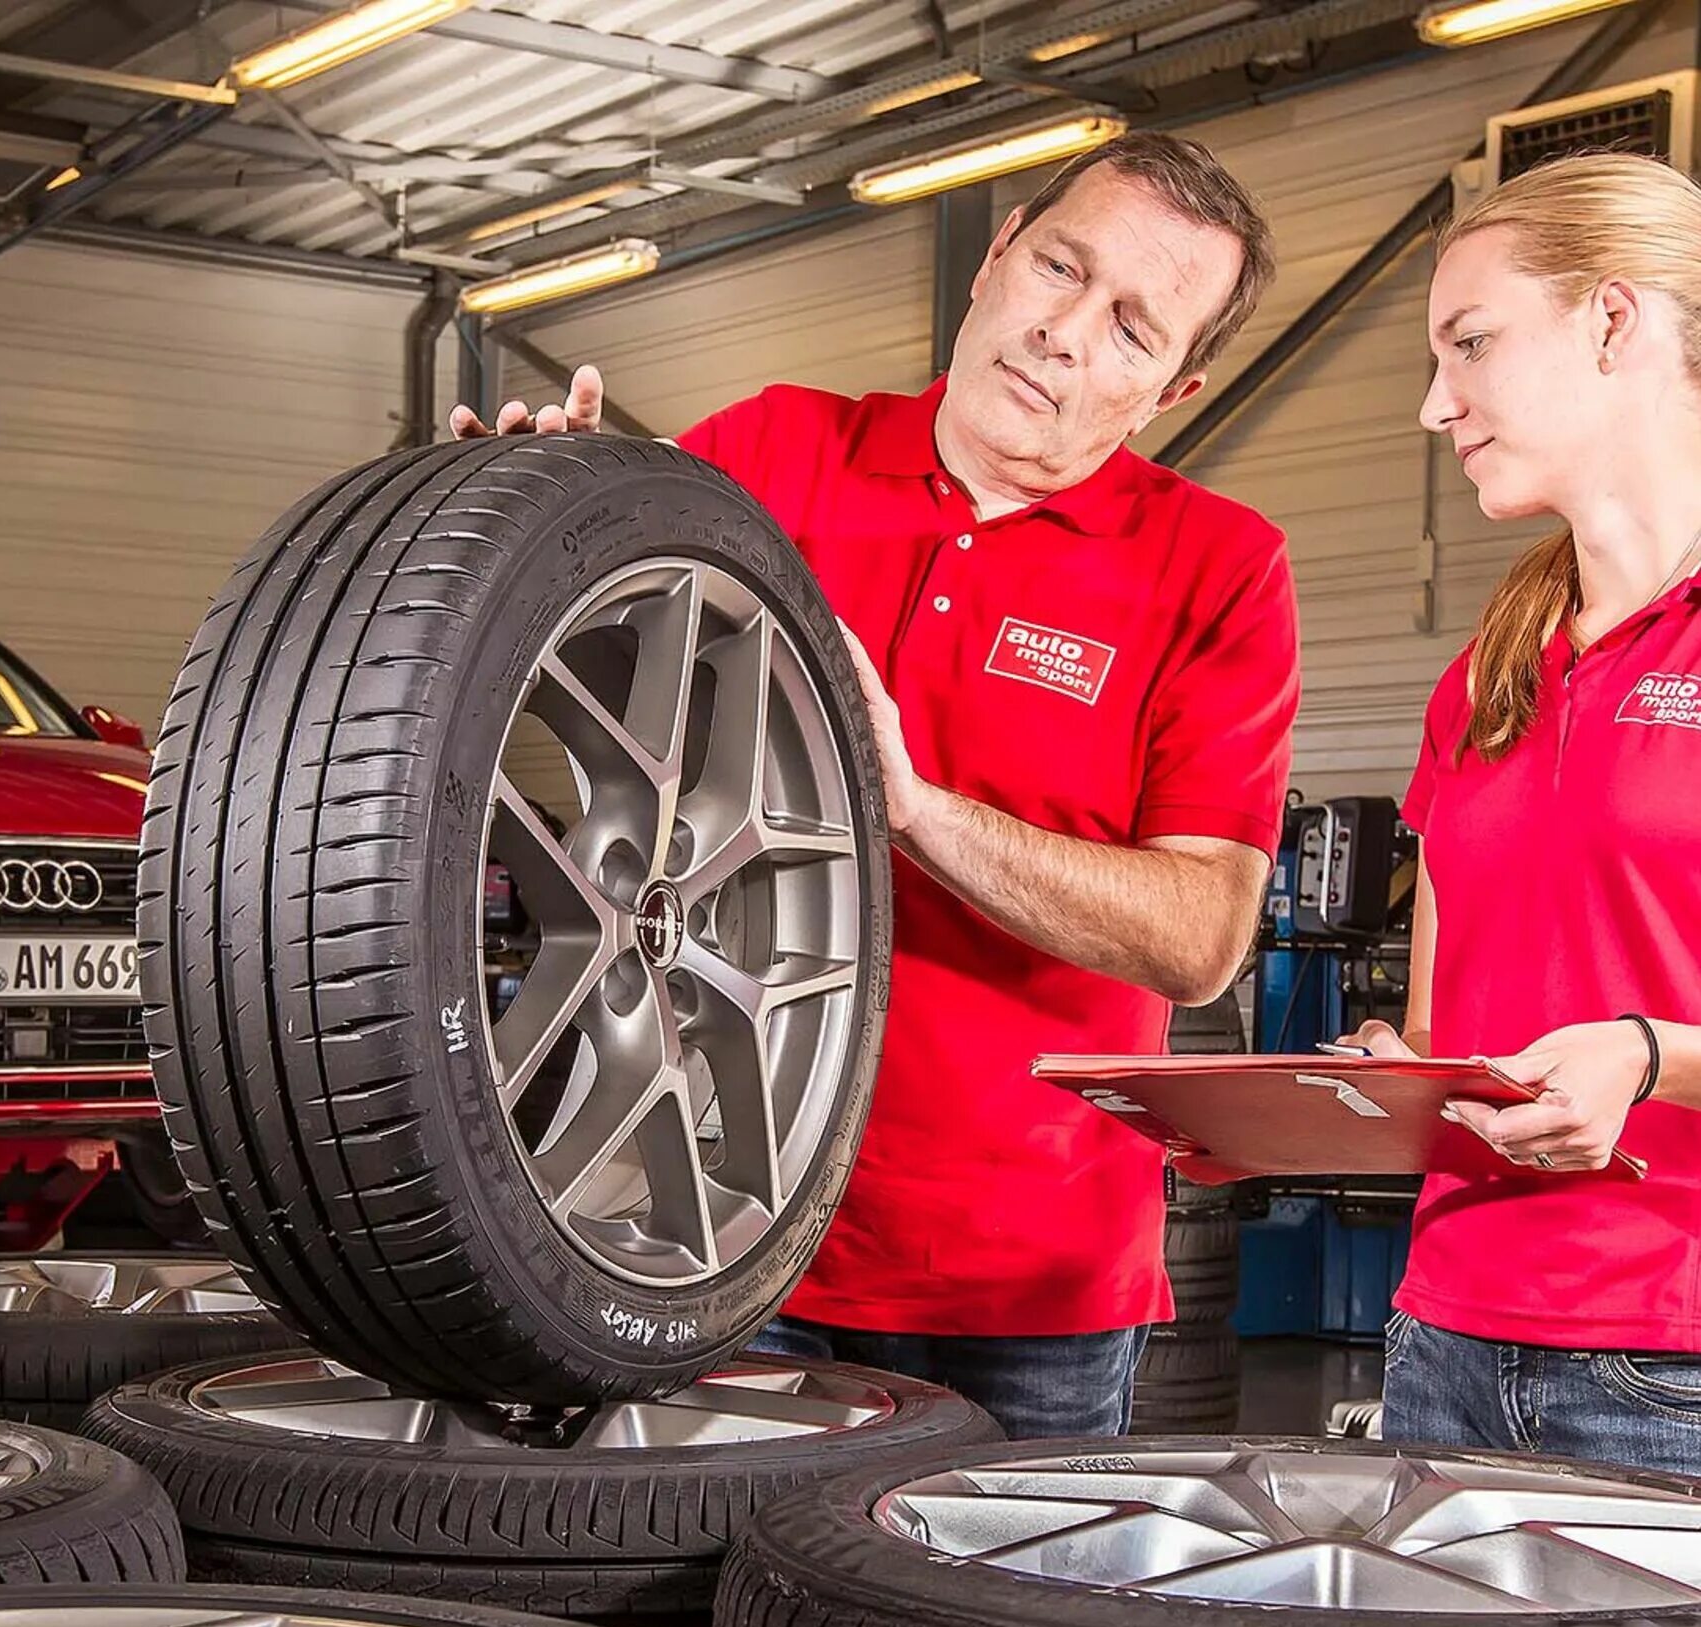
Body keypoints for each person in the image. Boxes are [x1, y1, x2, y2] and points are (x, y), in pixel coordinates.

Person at [452, 132, 1299, 1439]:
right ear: (997, 256)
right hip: (709, 1227)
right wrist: (527, 524)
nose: (1066, 334)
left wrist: (908, 806)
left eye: (1132, 330)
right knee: (697, 1623)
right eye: (1060, 269)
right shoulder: (775, 453)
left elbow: (1197, 940)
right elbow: (602, 695)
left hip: (1028, 1294)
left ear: (1170, 393)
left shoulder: (1220, 570)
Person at [1345, 152, 1701, 1469]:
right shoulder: (1486, 674)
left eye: (1473, 345)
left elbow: (1628, 1048)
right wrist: (1343, 1097)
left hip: (1675, 1360)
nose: (1438, 404)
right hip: (1443, 1343)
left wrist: (1650, 1056)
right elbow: (1453, 1040)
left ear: (1615, 321)